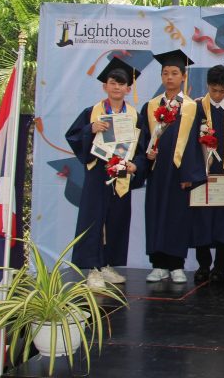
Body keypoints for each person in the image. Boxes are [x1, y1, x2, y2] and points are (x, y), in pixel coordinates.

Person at [65, 57, 146, 290]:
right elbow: (73, 136)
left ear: (128, 89)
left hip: (121, 174)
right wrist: (90, 129)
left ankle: (108, 265)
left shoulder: (134, 116)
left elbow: (141, 149)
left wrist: (135, 165)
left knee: (117, 219)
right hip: (98, 175)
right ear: (105, 86)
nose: (117, 87)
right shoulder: (92, 112)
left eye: (121, 84)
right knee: (93, 220)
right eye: (113, 83)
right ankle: (93, 269)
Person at [141, 49, 206, 284]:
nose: (169, 77)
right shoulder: (150, 106)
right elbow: (143, 138)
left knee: (178, 217)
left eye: (174, 73)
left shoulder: (192, 107)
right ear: (161, 76)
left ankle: (176, 265)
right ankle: (158, 264)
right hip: (157, 170)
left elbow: (197, 143)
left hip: (179, 171)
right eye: (165, 73)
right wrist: (147, 155)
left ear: (183, 77)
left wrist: (190, 173)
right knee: (156, 214)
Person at [190, 65, 224, 285]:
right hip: (201, 174)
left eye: (222, 91)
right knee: (201, 222)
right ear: (208, 86)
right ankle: (203, 265)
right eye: (213, 90)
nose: (217, 95)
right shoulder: (195, 108)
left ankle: (220, 267)